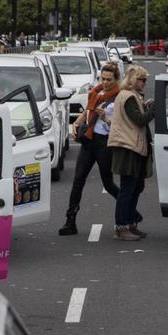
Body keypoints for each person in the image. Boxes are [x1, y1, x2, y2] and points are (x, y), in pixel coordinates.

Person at [59, 62, 140, 235]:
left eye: (109, 79)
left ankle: (131, 213)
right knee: (78, 180)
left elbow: (121, 126)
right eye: (103, 78)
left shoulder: (120, 97)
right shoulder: (96, 93)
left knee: (108, 183)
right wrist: (78, 122)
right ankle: (70, 221)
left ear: (116, 79)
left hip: (105, 142)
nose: (105, 82)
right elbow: (89, 111)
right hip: (89, 141)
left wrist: (105, 119)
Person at [108, 65, 154, 241]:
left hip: (132, 145)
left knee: (136, 187)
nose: (145, 83)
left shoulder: (131, 96)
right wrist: (152, 110)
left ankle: (130, 222)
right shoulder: (128, 96)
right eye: (143, 79)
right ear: (135, 80)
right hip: (128, 146)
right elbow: (139, 120)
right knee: (128, 188)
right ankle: (122, 226)